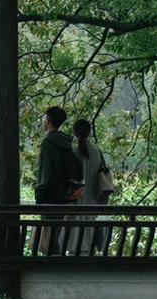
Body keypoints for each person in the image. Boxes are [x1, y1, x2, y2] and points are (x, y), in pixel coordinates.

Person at [32, 105, 78, 255]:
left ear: (49, 120)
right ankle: (56, 258)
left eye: (45, 118)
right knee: (55, 231)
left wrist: (40, 190)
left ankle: (52, 261)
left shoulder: (48, 142)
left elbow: (45, 171)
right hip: (63, 193)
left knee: (47, 232)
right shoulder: (67, 142)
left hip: (49, 193)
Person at [66, 118, 112, 254]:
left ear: (74, 132)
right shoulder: (97, 152)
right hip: (92, 202)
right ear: (89, 133)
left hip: (76, 202)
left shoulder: (74, 152)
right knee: (88, 237)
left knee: (75, 238)